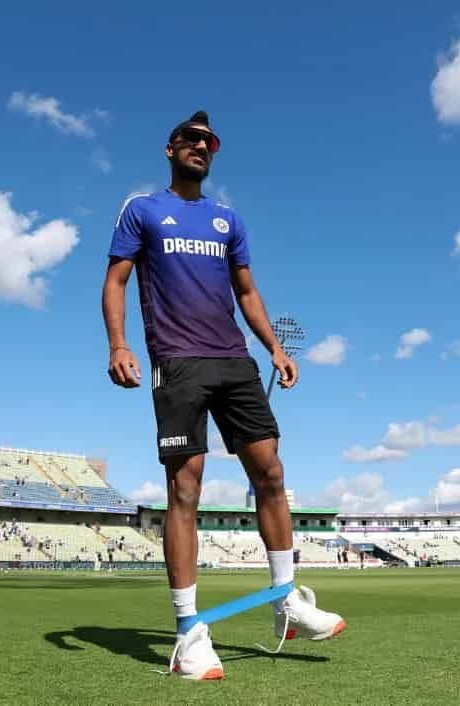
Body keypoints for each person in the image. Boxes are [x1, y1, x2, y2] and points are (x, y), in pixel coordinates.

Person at [103, 110, 346, 680]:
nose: (200, 147)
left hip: (234, 359)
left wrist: (274, 349)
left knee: (271, 473)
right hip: (177, 361)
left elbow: (247, 292)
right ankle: (189, 633)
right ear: (170, 149)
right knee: (185, 488)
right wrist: (118, 344)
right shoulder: (142, 209)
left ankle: (286, 600)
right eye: (190, 139)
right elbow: (116, 280)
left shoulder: (227, 219)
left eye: (208, 143)